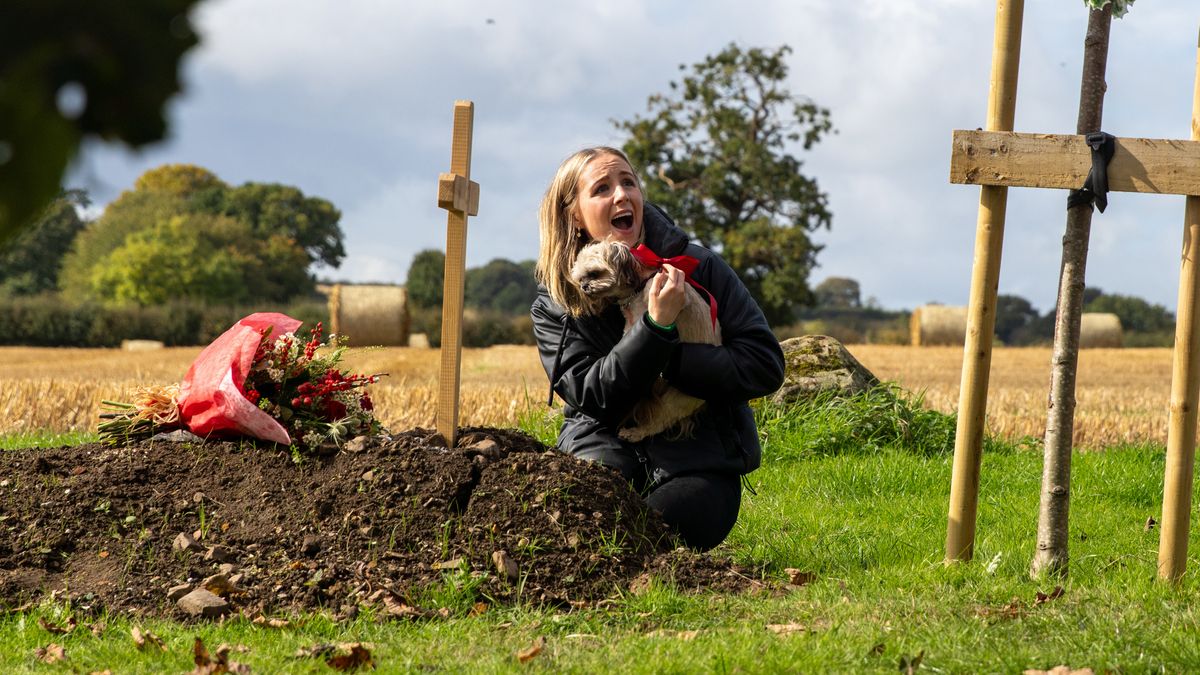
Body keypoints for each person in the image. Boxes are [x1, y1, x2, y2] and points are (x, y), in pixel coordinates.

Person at [531, 146, 785, 551]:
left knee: (654, 537)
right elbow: (592, 395)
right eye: (602, 188)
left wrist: (674, 356)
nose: (621, 195)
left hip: (698, 457)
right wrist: (653, 329)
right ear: (574, 215)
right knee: (592, 529)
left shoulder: (698, 267)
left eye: (628, 182)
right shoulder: (556, 300)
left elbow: (764, 365)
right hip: (601, 448)